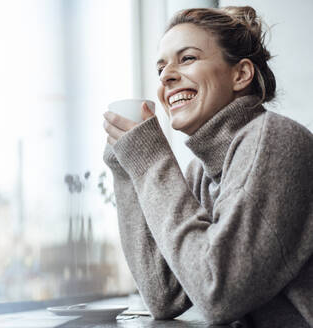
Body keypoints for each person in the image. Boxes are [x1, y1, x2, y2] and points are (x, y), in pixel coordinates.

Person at [102, 6, 313, 328]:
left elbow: (220, 295)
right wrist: (128, 171)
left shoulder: (276, 138)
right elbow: (164, 295)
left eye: (187, 58)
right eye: (160, 68)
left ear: (241, 74)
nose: (166, 76)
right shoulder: (202, 173)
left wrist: (151, 162)